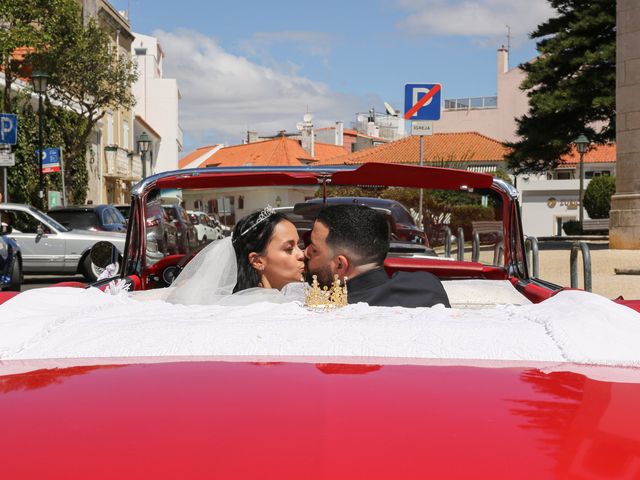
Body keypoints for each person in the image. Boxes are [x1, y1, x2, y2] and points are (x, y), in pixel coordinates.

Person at [305, 204, 451, 308]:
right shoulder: (427, 285)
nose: (306, 252)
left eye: (315, 250)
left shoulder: (332, 311)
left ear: (340, 265)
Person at [161, 206, 306, 305]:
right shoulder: (264, 306)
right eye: (289, 248)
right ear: (257, 261)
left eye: (299, 245)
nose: (301, 254)